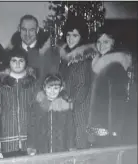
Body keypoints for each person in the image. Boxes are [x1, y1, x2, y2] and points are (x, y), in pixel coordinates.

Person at [88, 26, 132, 147]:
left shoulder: (115, 66)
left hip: (107, 127)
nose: (101, 45)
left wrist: (114, 132)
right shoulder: (99, 64)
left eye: (106, 42)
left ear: (114, 43)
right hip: (99, 124)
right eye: (99, 42)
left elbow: (118, 101)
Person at [58, 14, 97, 149]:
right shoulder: (65, 58)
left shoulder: (85, 58)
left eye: (75, 35)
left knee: (78, 142)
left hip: (79, 108)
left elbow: (83, 85)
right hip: (67, 105)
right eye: (68, 35)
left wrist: (70, 102)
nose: (70, 39)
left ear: (82, 37)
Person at [0, 47, 38, 157]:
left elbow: (37, 110)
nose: (17, 64)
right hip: (7, 137)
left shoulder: (33, 84)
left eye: (21, 61)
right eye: (14, 60)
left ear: (26, 63)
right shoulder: (0, 84)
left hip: (29, 137)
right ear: (8, 63)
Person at [27, 74, 75, 155]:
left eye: (56, 88)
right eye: (49, 88)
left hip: (61, 147)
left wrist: (71, 146)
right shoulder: (37, 106)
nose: (52, 91)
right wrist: (31, 146)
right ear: (44, 88)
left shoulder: (66, 107)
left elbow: (70, 128)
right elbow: (32, 127)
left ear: (61, 89)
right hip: (42, 148)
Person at [7, 14, 61, 84]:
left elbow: (54, 81)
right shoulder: (10, 53)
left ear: (37, 30)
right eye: (24, 29)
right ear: (19, 29)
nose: (27, 34)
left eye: (31, 30)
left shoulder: (50, 53)